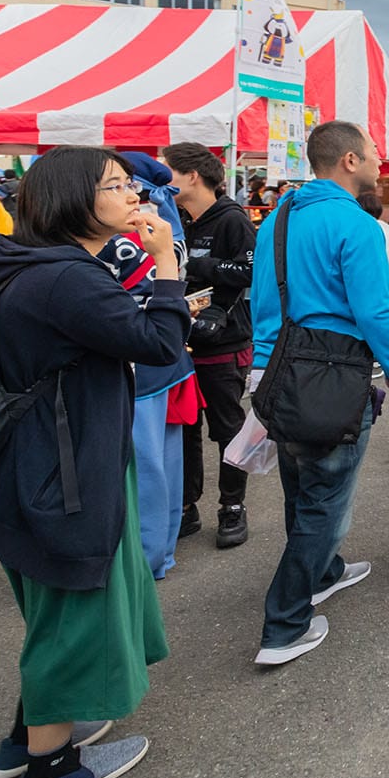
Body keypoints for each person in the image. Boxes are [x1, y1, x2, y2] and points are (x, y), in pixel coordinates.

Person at [0, 146, 191, 778]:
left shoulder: (22, 263)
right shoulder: (67, 277)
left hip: (30, 461)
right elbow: (157, 344)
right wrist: (169, 265)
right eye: (117, 187)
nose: (133, 197)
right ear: (72, 200)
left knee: (55, 608)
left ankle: (26, 738)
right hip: (61, 469)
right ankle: (50, 768)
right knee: (71, 608)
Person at [249, 122, 389, 667]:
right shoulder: (357, 224)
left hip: (272, 369)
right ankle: (284, 623)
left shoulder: (277, 218)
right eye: (373, 153)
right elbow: (373, 310)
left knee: (300, 481)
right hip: (331, 373)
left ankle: (323, 572)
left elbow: (260, 298)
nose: (379, 161)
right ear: (349, 160)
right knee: (326, 494)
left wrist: (261, 364)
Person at [102, 152, 196, 580]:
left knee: (144, 467)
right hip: (169, 359)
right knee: (162, 462)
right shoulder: (163, 223)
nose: (128, 194)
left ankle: (145, 555)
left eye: (125, 184)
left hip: (139, 364)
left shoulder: (124, 236)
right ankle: (159, 549)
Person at [162, 142, 257, 549]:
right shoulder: (176, 219)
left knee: (228, 429)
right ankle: (186, 506)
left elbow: (252, 271)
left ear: (192, 176)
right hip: (181, 342)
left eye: (168, 173)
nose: (161, 181)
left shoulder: (233, 219)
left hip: (225, 341)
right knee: (184, 428)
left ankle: (232, 507)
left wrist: (200, 266)